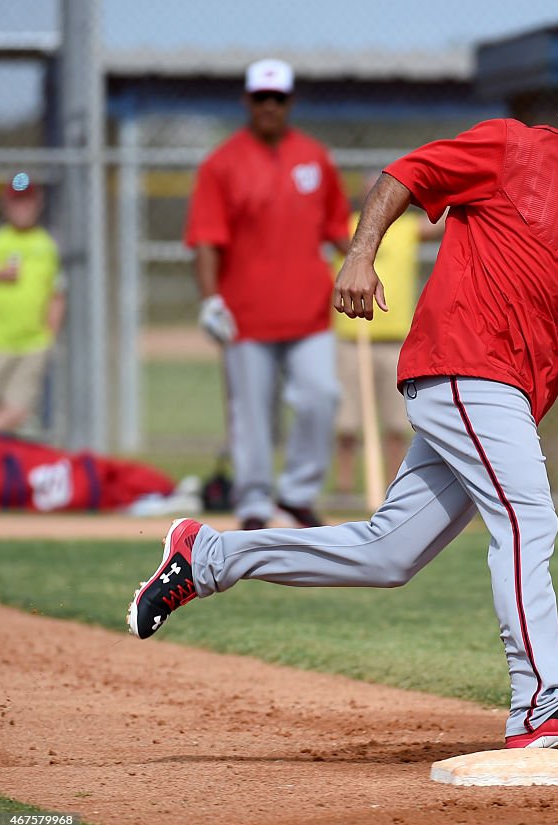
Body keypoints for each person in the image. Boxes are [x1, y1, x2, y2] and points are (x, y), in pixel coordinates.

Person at [129, 71, 558, 750]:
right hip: (465, 363)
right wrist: (360, 256)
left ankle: (206, 557)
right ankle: (540, 703)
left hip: (509, 396)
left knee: (387, 553)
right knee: (529, 518)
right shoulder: (515, 150)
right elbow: (406, 174)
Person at [185, 58, 351, 530]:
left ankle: (298, 494)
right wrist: (210, 300)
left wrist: (363, 263)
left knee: (321, 396)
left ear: (290, 102)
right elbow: (205, 239)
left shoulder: (316, 157)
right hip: (246, 315)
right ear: (247, 101)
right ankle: (255, 503)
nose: (269, 107)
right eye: (261, 98)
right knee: (251, 415)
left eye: (278, 99)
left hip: (311, 310)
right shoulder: (221, 163)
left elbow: (339, 228)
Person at [333, 172, 444, 495]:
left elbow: (445, 223)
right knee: (347, 422)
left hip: (394, 339)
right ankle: (344, 486)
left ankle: (391, 484)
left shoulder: (406, 228)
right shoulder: (346, 226)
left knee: (396, 423)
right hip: (352, 337)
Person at [0, 173, 65, 434]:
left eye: (27, 201)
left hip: (33, 342)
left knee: (18, 411)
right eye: (16, 202)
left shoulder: (46, 245)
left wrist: (49, 335)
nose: (22, 208)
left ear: (38, 202)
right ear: (5, 204)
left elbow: (57, 292)